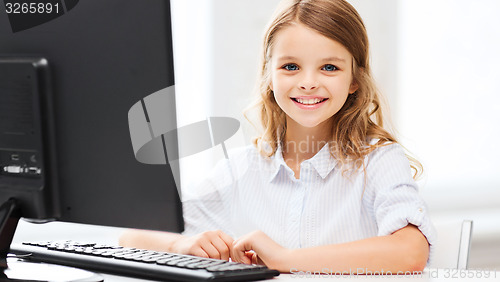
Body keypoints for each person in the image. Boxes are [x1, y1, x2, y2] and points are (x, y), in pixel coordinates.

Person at [120, 0, 435, 274]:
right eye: (291, 66)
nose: (308, 82)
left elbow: (410, 253)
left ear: (355, 79)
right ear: (268, 75)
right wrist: (184, 244)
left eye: (328, 67)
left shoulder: (379, 162)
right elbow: (131, 237)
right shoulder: (240, 169)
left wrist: (286, 259)